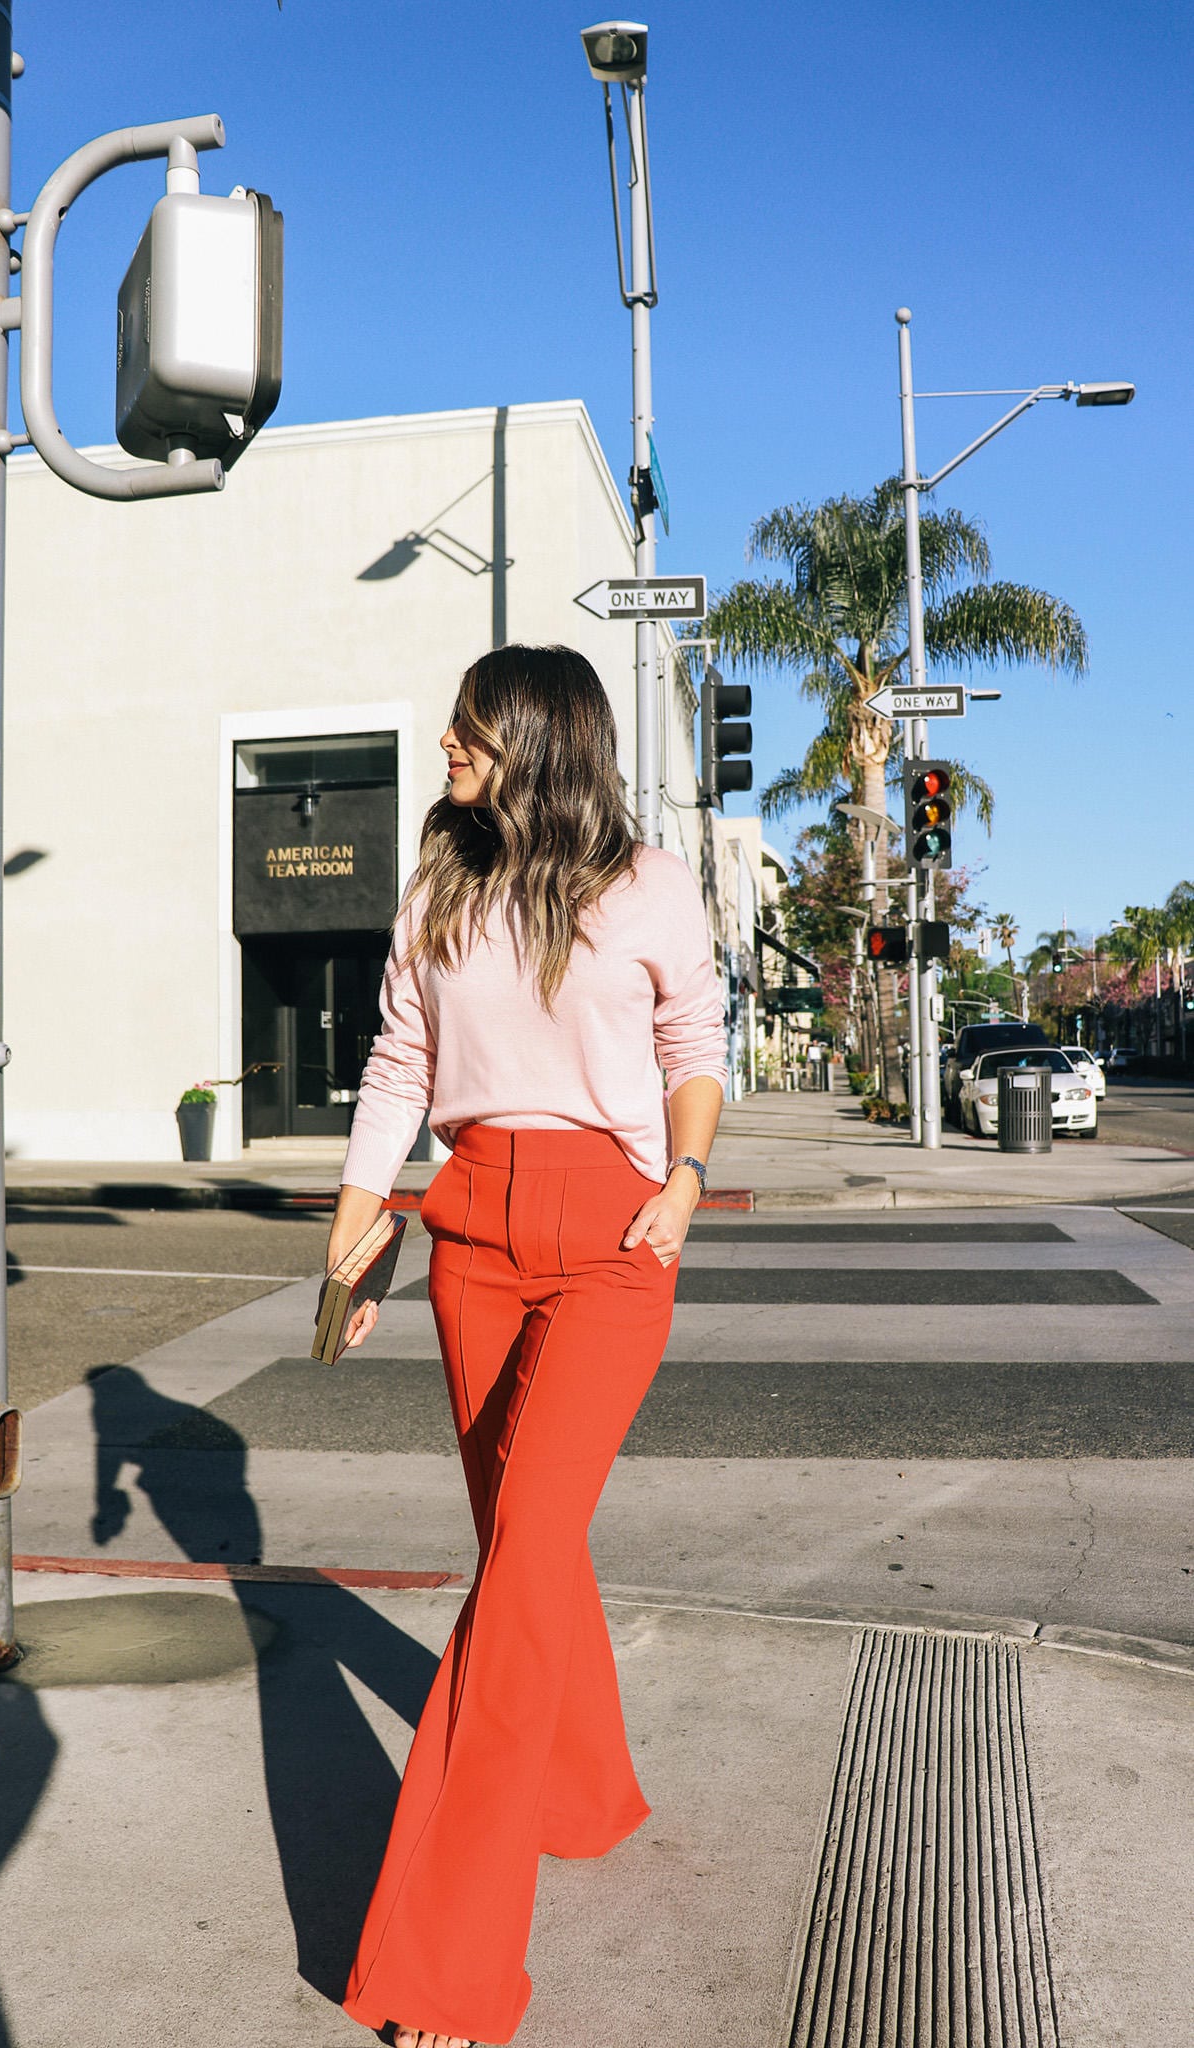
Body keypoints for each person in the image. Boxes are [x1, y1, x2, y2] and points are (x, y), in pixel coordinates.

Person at [322, 644, 726, 2048]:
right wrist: (364, 1209)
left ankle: (447, 1963)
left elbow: (692, 1037)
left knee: (508, 1584)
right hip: (471, 1233)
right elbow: (398, 1061)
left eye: (471, 731)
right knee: (523, 1537)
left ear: (540, 746)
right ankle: (588, 1796)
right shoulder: (440, 882)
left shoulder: (647, 884)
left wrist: (682, 1180)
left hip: (615, 1238)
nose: (445, 745)